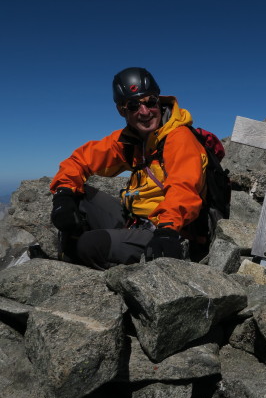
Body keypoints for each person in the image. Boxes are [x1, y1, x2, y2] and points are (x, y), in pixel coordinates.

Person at [49, 67, 211, 269]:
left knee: (90, 245)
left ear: (158, 100)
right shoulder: (130, 140)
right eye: (133, 106)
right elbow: (80, 159)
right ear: (122, 110)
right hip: (135, 219)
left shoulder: (179, 138)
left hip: (170, 230)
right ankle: (74, 254)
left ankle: (89, 264)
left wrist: (168, 229)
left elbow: (184, 188)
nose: (145, 112)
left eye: (150, 102)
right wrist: (63, 194)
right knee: (77, 196)